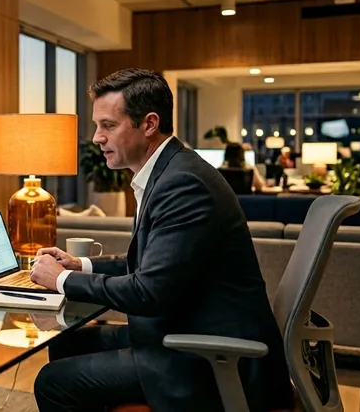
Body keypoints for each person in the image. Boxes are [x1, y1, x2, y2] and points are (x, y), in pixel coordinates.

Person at [27, 68, 294, 412]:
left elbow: (148, 291)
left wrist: (60, 279)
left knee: (52, 382)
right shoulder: (170, 172)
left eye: (108, 125)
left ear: (149, 124)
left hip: (206, 357)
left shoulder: (182, 184)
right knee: (71, 343)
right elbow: (156, 265)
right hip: (186, 331)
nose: (96, 138)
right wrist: (81, 264)